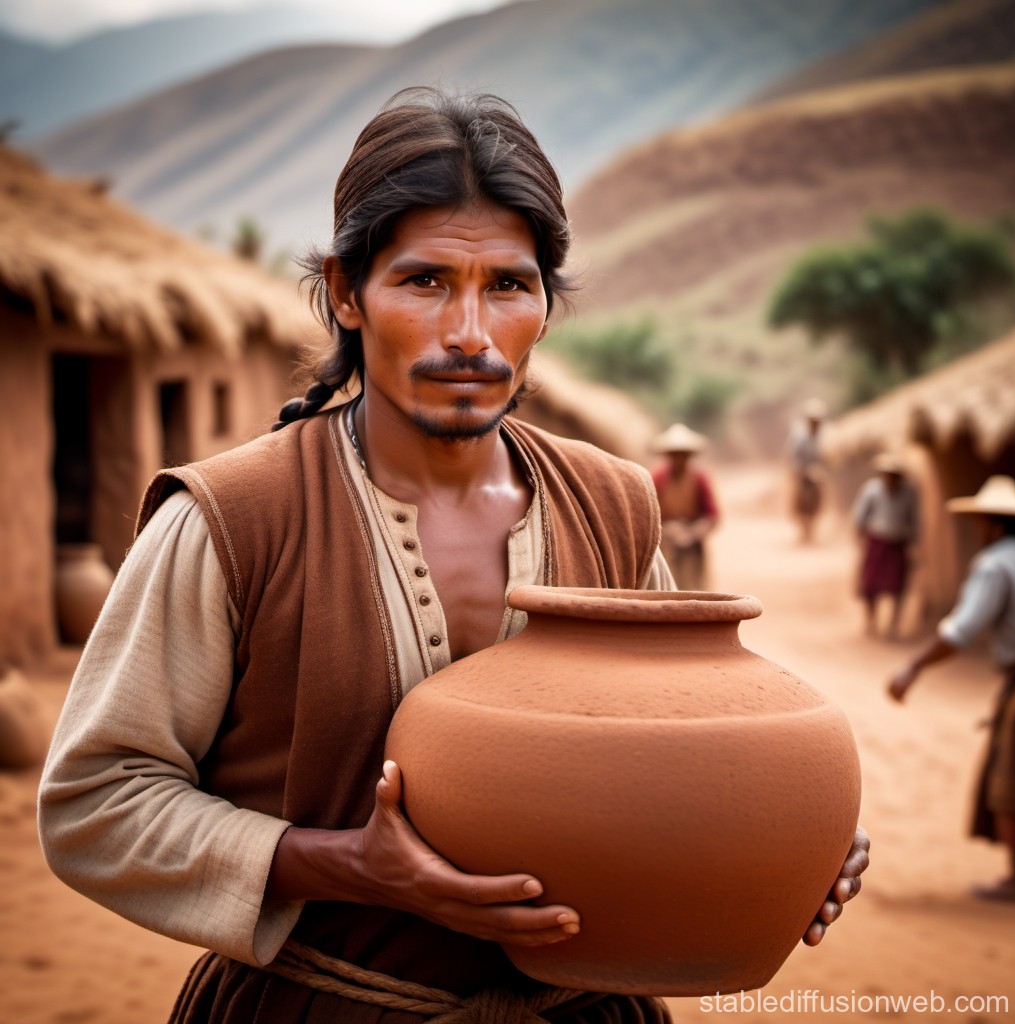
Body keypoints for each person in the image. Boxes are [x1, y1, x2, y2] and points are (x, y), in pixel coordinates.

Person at [38, 87, 869, 1023]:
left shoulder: (613, 507)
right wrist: (345, 867)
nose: (470, 334)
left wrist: (784, 834)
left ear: (546, 306)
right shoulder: (235, 520)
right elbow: (95, 801)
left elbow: (677, 741)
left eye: (508, 285)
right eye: (425, 281)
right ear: (349, 295)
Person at [888, 474, 1015, 902]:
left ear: (995, 525)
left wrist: (913, 667)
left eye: (983, 523)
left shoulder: (994, 564)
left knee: (1011, 778)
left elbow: (960, 631)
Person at [852, 451, 920, 639]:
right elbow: (860, 515)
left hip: (898, 544)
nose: (889, 478)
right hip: (877, 541)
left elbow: (914, 520)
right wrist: (859, 536)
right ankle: (871, 621)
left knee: (897, 586)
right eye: (886, 474)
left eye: (893, 475)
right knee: (870, 585)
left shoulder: (909, 493)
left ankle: (893, 625)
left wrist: (914, 543)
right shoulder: (872, 490)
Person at [650, 422, 719, 590]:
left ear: (689, 455)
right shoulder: (657, 477)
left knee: (694, 587)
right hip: (665, 540)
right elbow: (649, 514)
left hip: (693, 542)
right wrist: (667, 529)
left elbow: (712, 515)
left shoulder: (700, 478)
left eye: (683, 454)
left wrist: (691, 533)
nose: (679, 458)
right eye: (675, 454)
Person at [787, 398, 827, 544]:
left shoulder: (824, 434)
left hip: (817, 474)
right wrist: (803, 472)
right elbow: (794, 456)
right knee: (801, 503)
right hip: (802, 474)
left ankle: (811, 530)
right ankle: (804, 530)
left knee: (816, 504)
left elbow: (826, 455)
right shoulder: (799, 435)